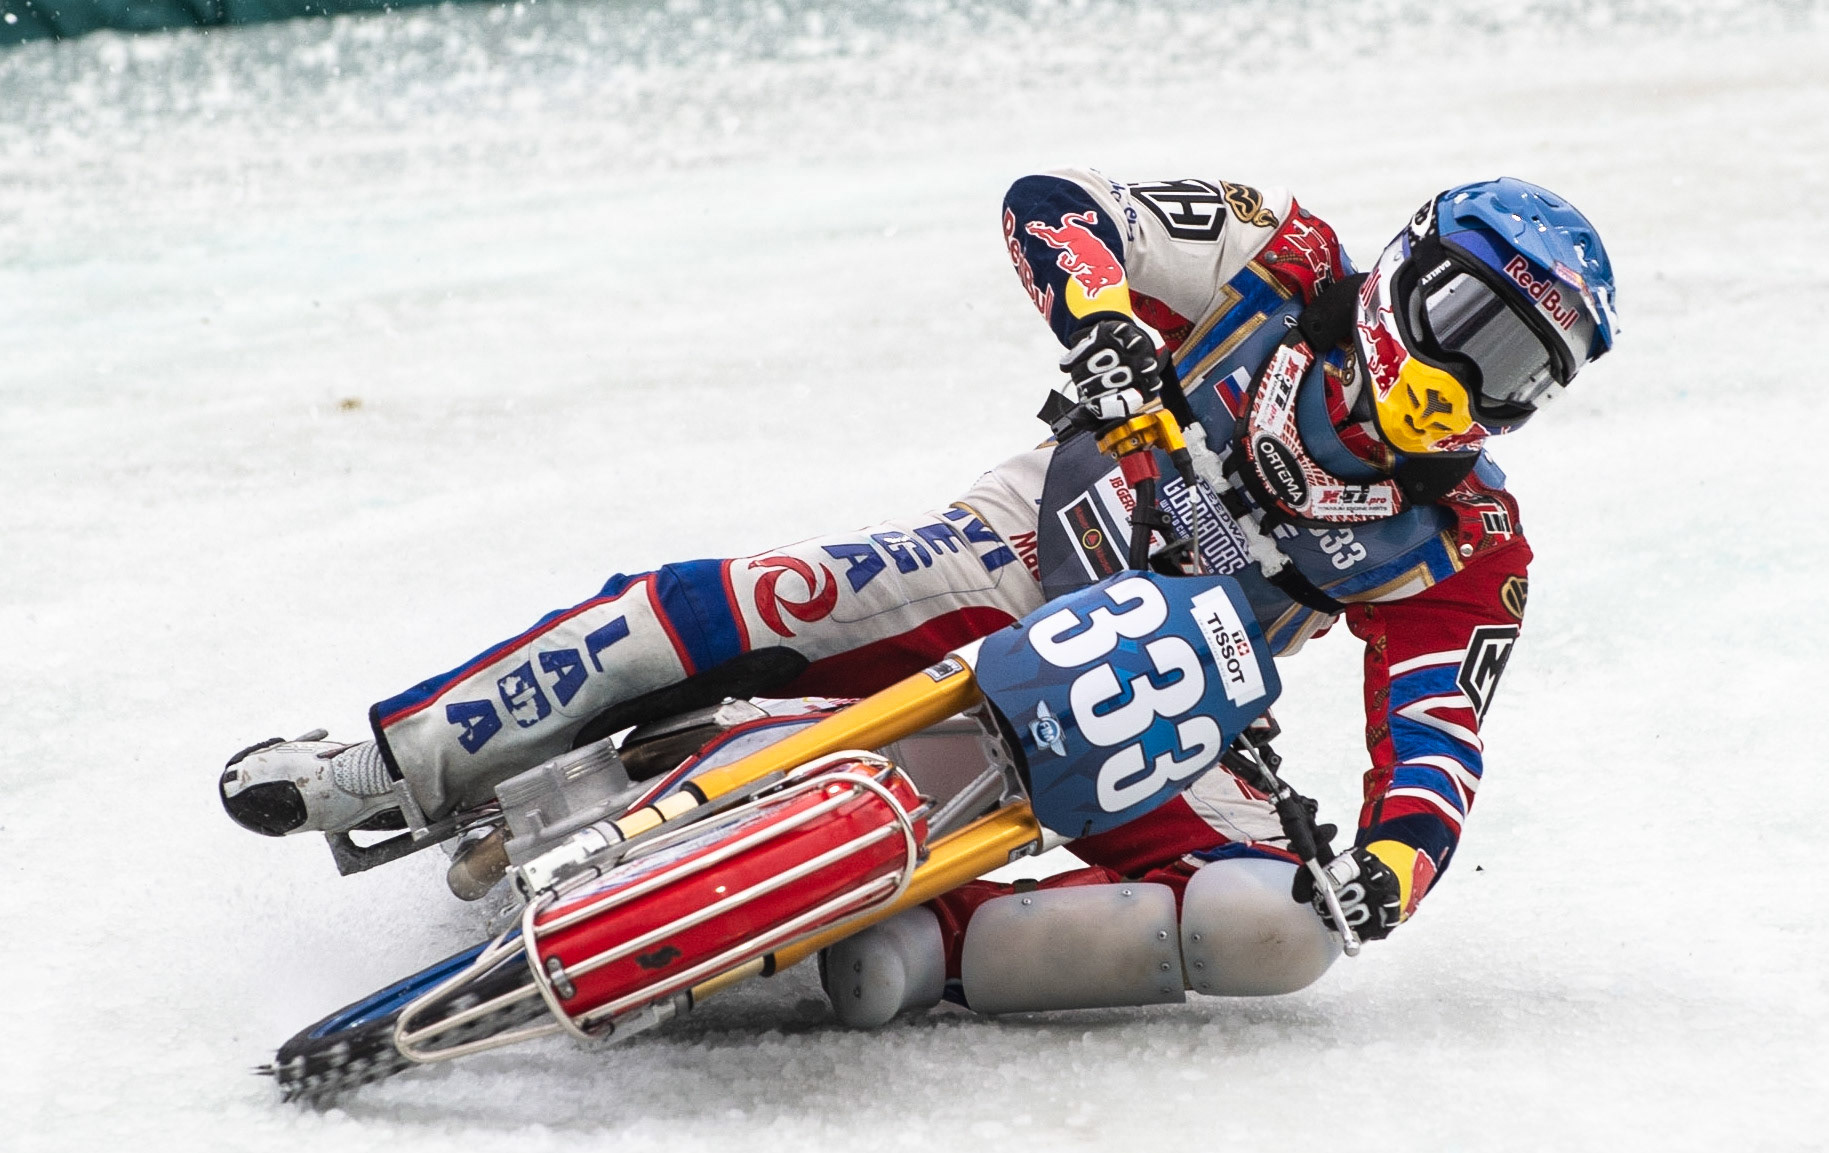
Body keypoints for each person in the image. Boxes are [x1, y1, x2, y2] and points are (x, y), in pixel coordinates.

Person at [220, 172, 1616, 1024]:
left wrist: (1394, 867)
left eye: (1516, 374)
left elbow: (1437, 728)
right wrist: (1104, 329)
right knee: (741, 600)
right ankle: (384, 763)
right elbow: (1058, 205)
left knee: (1284, 930)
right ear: (1405, 273)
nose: (1466, 383)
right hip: (1017, 551)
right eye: (1466, 327)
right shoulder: (1277, 257)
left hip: (1166, 704)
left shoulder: (1470, 539)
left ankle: (919, 950)